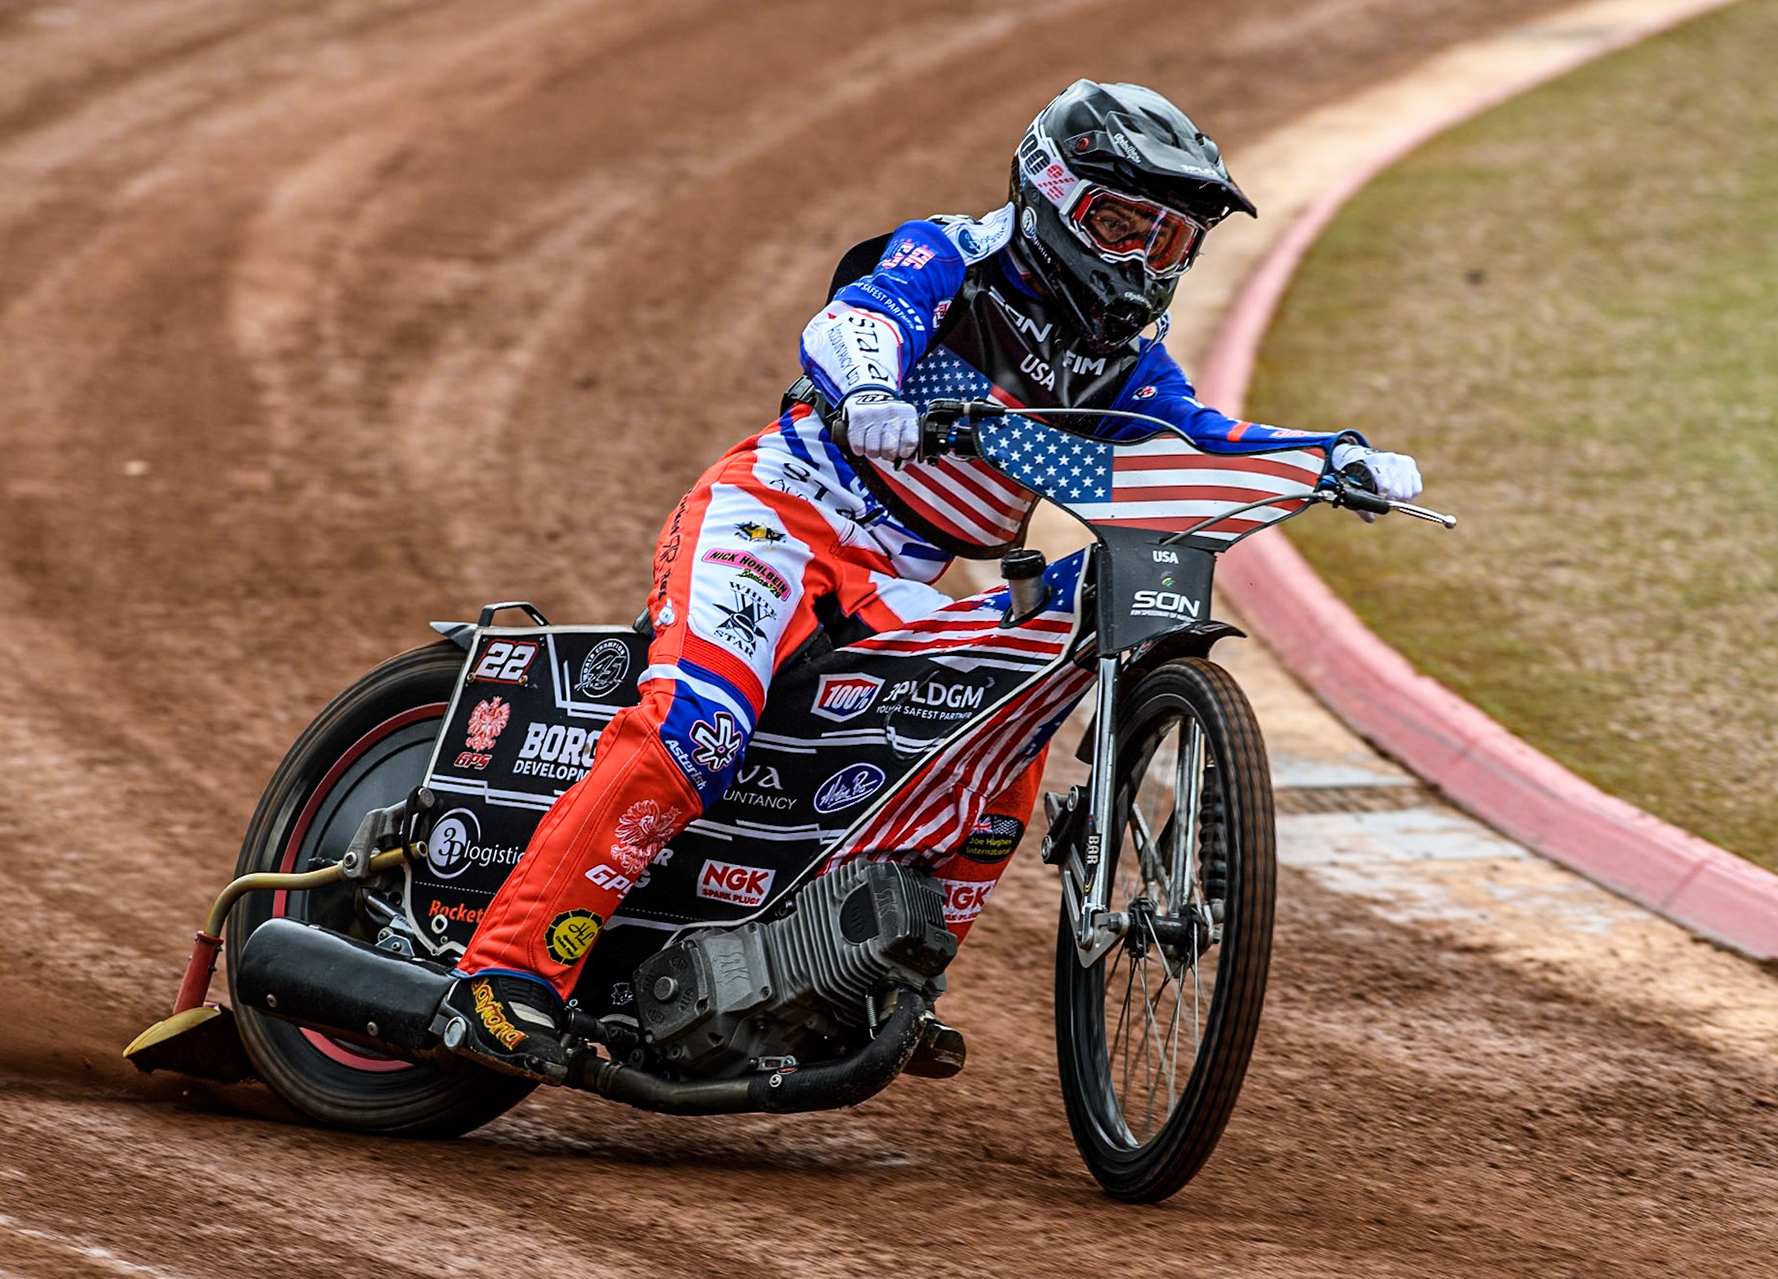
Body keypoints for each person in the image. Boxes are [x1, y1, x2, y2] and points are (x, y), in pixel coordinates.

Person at [439, 79, 1423, 1082]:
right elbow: (858, 317)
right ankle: (503, 971)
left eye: (1166, 243)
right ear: (1050, 193)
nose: (1137, 262)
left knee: (1009, 726)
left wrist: (1329, 459)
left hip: (899, 578)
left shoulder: (1125, 360)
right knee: (700, 724)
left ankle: (885, 977)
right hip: (781, 516)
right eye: (1119, 225)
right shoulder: (953, 254)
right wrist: (869, 387)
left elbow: (1201, 443)